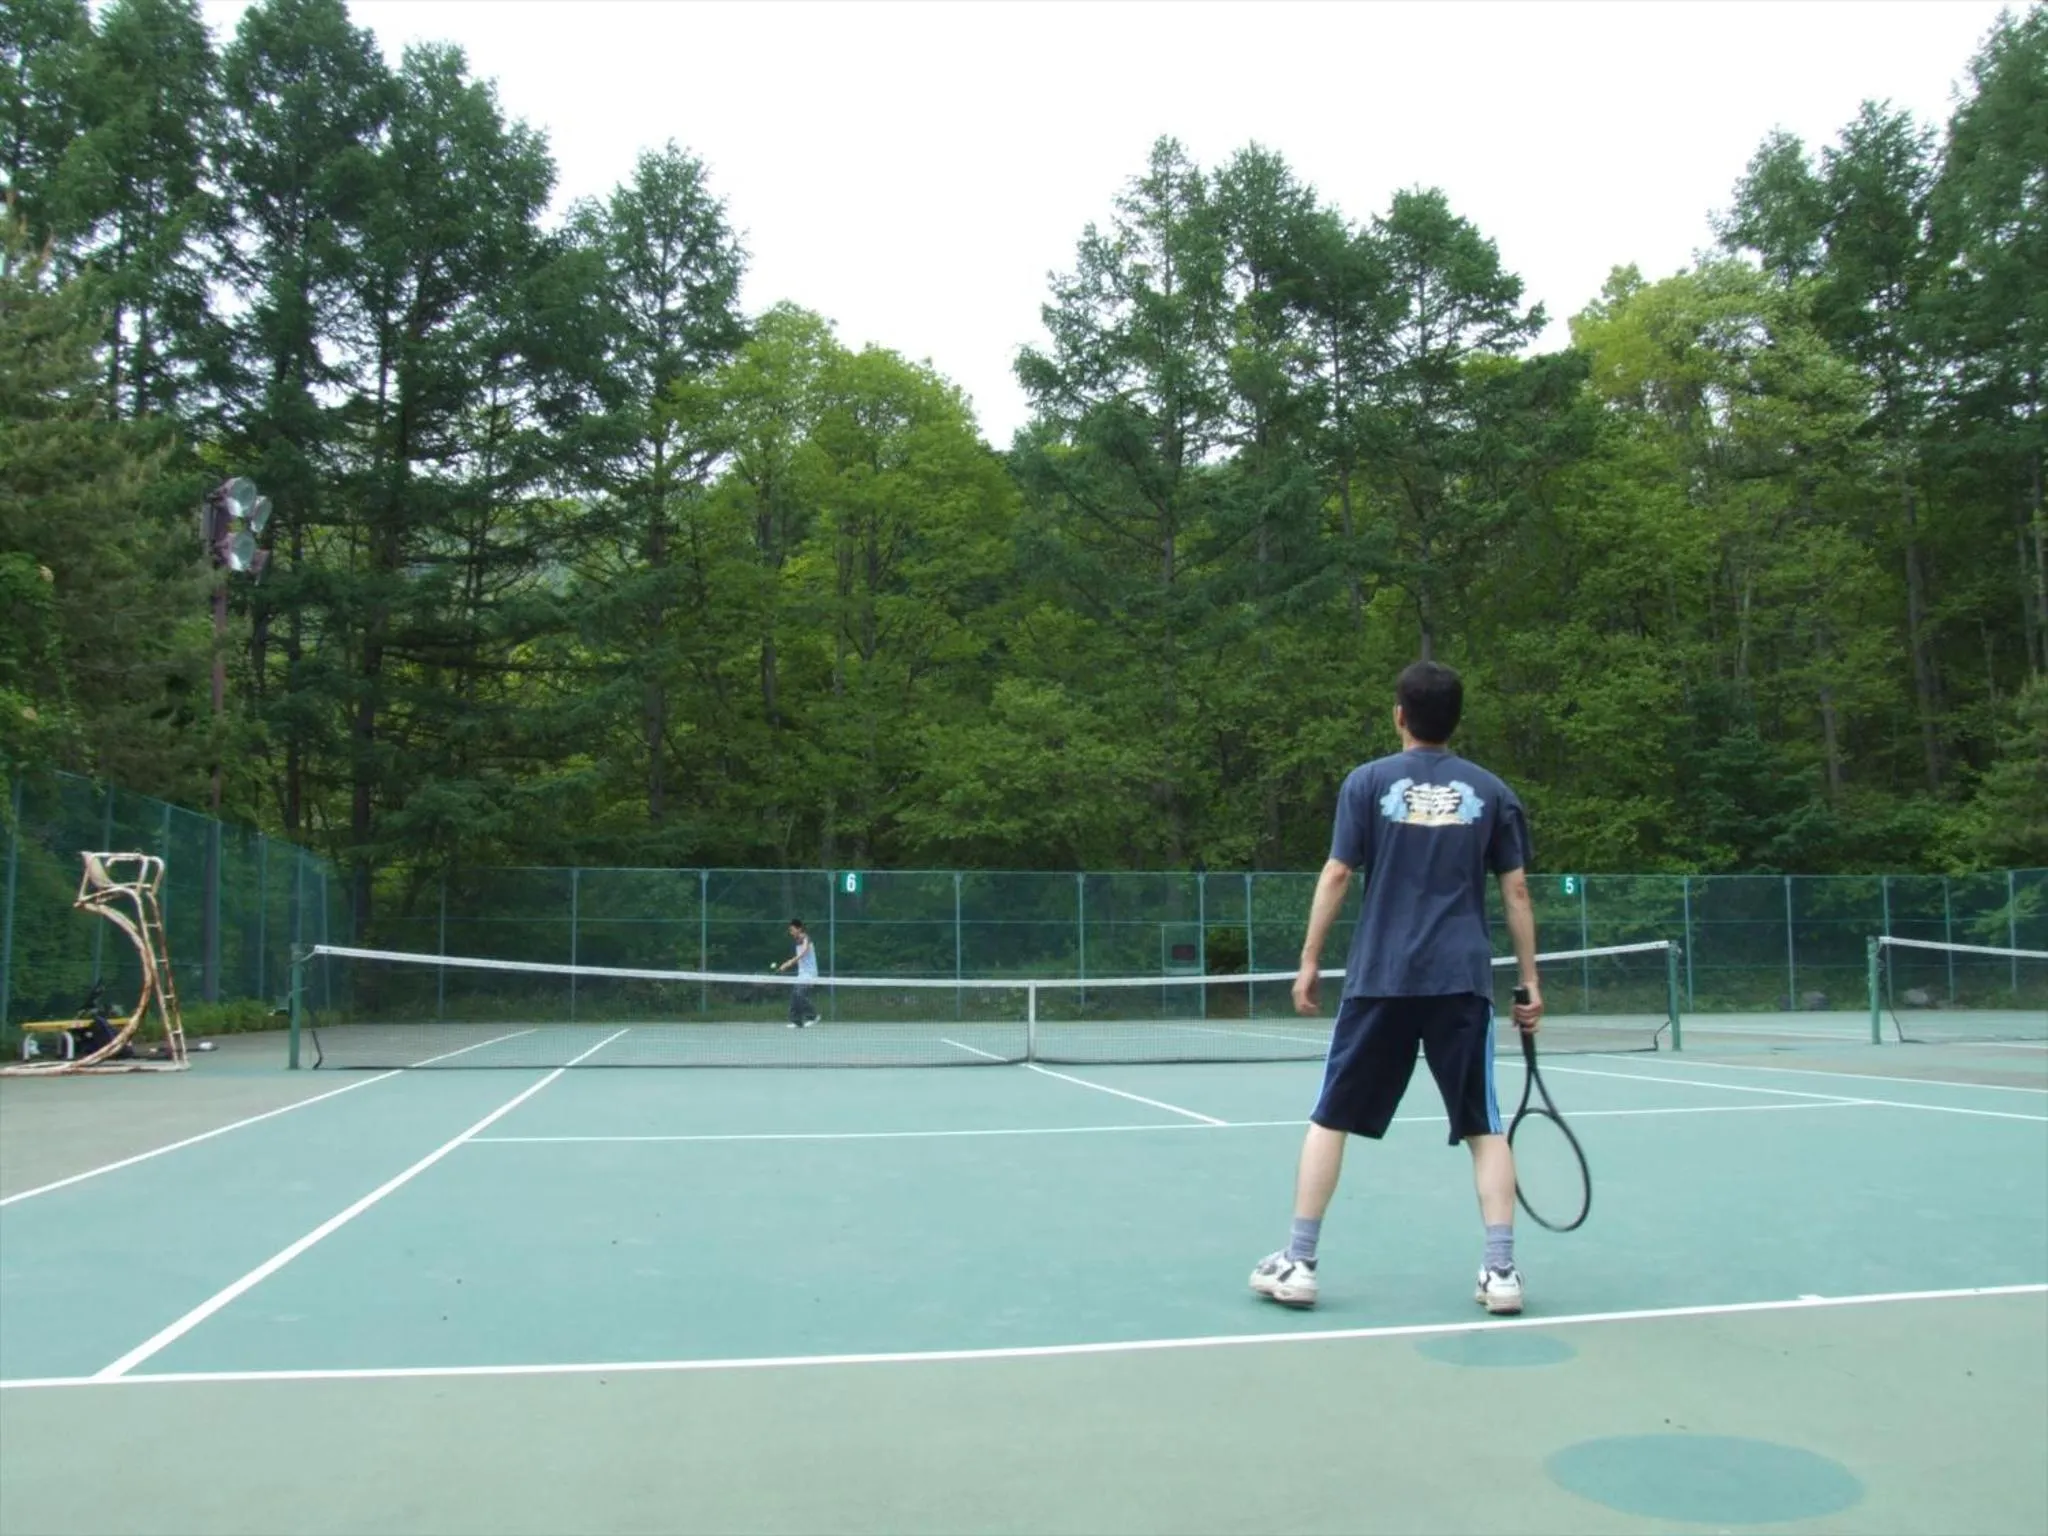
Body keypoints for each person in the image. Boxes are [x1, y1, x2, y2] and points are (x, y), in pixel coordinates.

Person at [1249, 660, 1544, 1316]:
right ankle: (1501, 1274)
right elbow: (1516, 890)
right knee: (1484, 1127)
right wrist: (1529, 983)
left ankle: (1299, 1262)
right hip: (1461, 982)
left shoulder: (1366, 783)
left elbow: (1335, 873)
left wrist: (1307, 961)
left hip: (1381, 978)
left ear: (1400, 716)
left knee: (1331, 1117)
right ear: (1454, 720)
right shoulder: (1493, 792)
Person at [772, 918, 822, 1028]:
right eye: (790, 930)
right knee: (795, 996)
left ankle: (813, 1016)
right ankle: (797, 1021)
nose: (791, 932)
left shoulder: (806, 938)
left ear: (799, 929)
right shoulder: (797, 941)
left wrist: (788, 963)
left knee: (799, 994)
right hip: (802, 973)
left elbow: (803, 953)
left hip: (810, 974)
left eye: (792, 930)